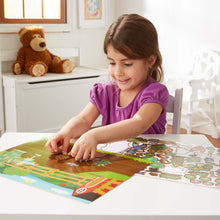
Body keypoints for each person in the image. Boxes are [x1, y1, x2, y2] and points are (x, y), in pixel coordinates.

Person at [45, 13, 169, 161]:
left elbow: (138, 124)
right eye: (112, 62)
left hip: (146, 167)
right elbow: (84, 119)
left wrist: (94, 134)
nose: (118, 72)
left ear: (150, 60)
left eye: (127, 64)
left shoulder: (155, 93)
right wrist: (66, 132)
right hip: (114, 165)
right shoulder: (105, 92)